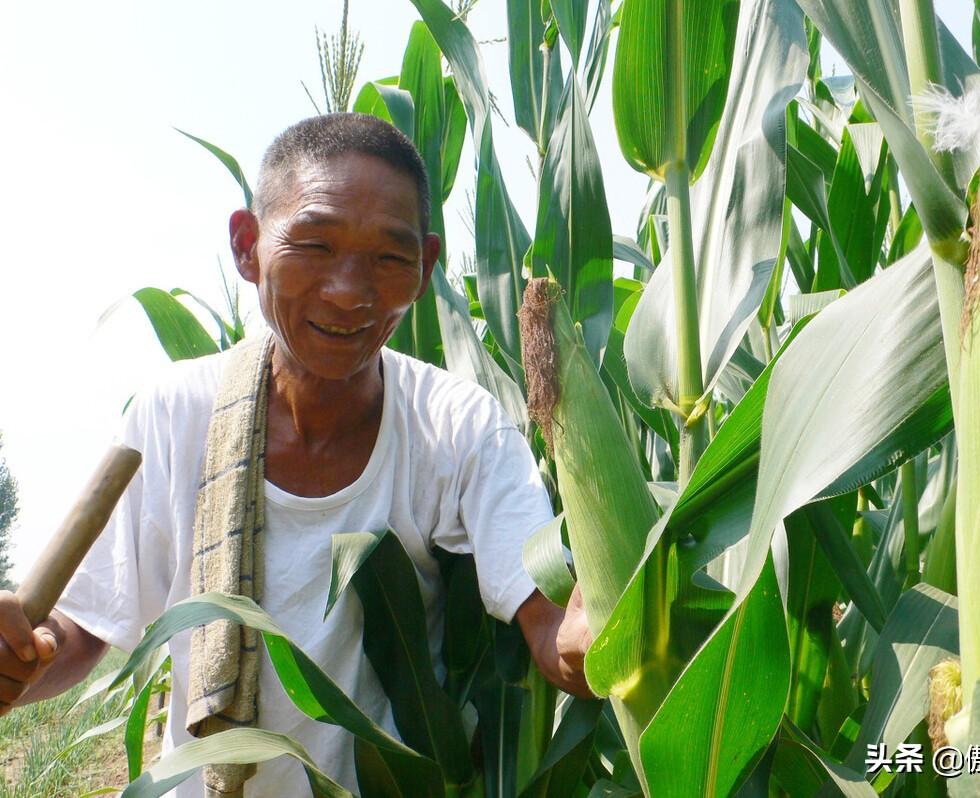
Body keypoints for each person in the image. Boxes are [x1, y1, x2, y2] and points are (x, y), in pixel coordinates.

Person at [0, 113, 591, 796]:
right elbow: (80, 627)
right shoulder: (174, 413)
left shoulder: (456, 426)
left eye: (389, 259)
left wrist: (591, 639)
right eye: (313, 246)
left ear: (426, 268)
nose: (349, 291)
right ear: (248, 247)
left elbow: (548, 618)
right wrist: (22, 653)